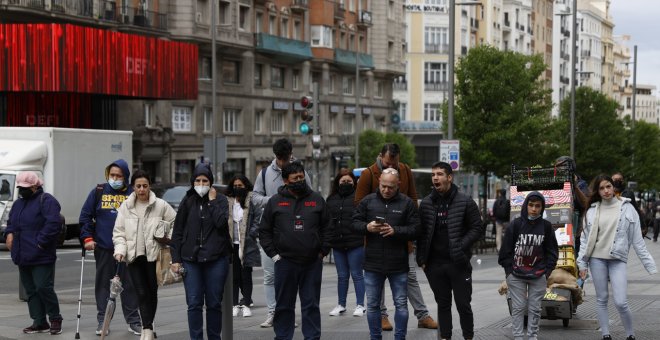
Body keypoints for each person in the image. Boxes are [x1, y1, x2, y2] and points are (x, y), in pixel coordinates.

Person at [354, 143, 437, 331]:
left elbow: (413, 197)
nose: (391, 166)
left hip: (400, 237)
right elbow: (359, 203)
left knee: (410, 277)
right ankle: (383, 315)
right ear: (380, 157)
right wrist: (371, 224)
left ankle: (422, 314)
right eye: (387, 162)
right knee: (377, 281)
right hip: (376, 237)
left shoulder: (405, 170)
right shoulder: (369, 173)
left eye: (395, 162)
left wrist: (404, 221)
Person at [577, 175, 657, 340]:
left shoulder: (627, 208)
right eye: (601, 188)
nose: (606, 191)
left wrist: (650, 265)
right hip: (596, 259)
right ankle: (606, 334)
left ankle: (630, 334)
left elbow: (637, 240)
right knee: (602, 299)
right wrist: (582, 265)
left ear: (613, 187)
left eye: (608, 186)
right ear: (597, 191)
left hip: (618, 259)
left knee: (621, 301)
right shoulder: (592, 210)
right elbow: (584, 240)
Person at [259, 161, 331, 340]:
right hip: (285, 263)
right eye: (295, 178)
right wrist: (274, 255)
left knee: (311, 305)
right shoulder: (275, 202)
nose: (299, 180)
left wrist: (322, 252)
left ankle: (312, 337)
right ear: (285, 181)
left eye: (301, 177)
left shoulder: (316, 199)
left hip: (312, 262)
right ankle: (283, 337)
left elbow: (328, 228)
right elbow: (264, 230)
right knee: (283, 306)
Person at [416, 161, 483, 340]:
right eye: (433, 175)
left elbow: (477, 228)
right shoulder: (426, 203)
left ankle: (468, 337)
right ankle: (445, 337)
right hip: (435, 265)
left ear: (449, 177)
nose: (435, 178)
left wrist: (461, 246)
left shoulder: (465, 201)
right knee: (443, 305)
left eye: (439, 174)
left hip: (458, 263)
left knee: (463, 305)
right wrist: (422, 259)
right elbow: (421, 232)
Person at [352, 167, 420, 340]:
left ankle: (400, 337)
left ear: (398, 184)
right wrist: (367, 227)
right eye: (383, 186)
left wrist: (395, 231)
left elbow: (416, 230)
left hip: (398, 263)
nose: (386, 190)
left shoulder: (406, 203)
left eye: (390, 187)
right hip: (373, 263)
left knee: (401, 304)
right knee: (373, 305)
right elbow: (354, 223)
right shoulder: (368, 201)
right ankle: (375, 337)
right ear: (379, 182)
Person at [251, 138, 311, 327]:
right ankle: (273, 312)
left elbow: (310, 195)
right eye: (281, 158)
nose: (284, 162)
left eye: (287, 158)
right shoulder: (265, 174)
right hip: (270, 231)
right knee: (270, 275)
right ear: (276, 156)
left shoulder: (300, 172)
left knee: (290, 276)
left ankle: (288, 313)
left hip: (294, 231)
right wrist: (275, 201)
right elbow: (254, 197)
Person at [79, 159, 142, 336]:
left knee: (130, 285)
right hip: (105, 248)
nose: (114, 178)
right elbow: (85, 217)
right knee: (103, 286)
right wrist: (88, 238)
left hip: (129, 249)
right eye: (112, 175)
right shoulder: (98, 191)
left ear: (125, 177)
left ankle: (133, 321)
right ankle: (103, 321)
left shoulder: (133, 193)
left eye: (118, 176)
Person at [112, 170, 176, 340]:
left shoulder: (161, 205)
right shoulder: (126, 206)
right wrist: (120, 251)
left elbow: (175, 223)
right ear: (133, 187)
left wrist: (165, 234)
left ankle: (148, 325)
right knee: (140, 292)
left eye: (145, 186)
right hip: (133, 257)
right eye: (138, 186)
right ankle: (147, 329)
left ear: (149, 186)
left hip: (154, 256)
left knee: (151, 292)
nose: (141, 189)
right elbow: (119, 232)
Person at [170, 164, 231, 340]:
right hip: (191, 260)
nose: (201, 183)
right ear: (193, 182)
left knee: (213, 304)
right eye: (198, 180)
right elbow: (178, 231)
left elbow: (221, 224)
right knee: (194, 303)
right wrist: (176, 259)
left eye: (205, 180)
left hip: (216, 259)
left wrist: (212, 202)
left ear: (211, 182)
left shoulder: (220, 200)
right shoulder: (188, 201)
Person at [4, 171, 63, 335]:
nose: (21, 190)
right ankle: (39, 321)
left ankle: (55, 318)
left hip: (41, 254)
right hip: (22, 254)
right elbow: (11, 224)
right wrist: (8, 234)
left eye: (25, 187)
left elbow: (53, 223)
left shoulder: (47, 200)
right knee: (30, 290)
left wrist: (40, 243)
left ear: (36, 186)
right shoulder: (18, 204)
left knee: (43, 287)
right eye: (20, 187)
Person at [498, 191, 558, 340]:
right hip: (516, 275)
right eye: (531, 205)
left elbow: (552, 252)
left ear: (542, 208)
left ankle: (532, 337)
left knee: (535, 309)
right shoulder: (516, 225)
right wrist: (509, 272)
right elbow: (505, 251)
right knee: (518, 308)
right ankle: (518, 337)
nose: (534, 209)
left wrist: (547, 272)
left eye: (538, 206)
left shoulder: (546, 227)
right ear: (526, 206)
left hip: (538, 275)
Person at [326, 169, 365, 317]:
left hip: (355, 242)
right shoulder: (331, 199)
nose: (346, 184)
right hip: (338, 243)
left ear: (354, 183)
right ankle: (341, 304)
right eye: (343, 181)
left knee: (356, 274)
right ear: (337, 182)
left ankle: (360, 304)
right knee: (342, 276)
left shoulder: (358, 198)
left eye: (349, 181)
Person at [226, 174, 261, 318]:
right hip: (231, 245)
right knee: (233, 277)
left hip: (247, 244)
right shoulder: (228, 201)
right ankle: (234, 304)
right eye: (235, 186)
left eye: (240, 186)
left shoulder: (251, 200)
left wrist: (251, 234)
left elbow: (259, 218)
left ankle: (246, 304)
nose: (237, 188)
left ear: (246, 186)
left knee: (246, 276)